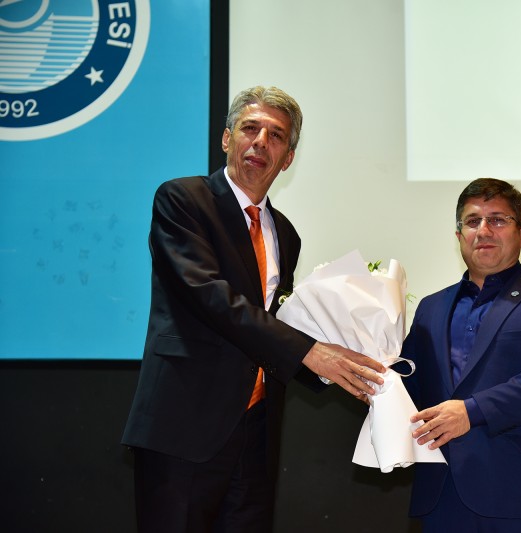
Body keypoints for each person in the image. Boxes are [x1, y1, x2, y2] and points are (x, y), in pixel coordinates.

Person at [122, 85, 385, 533]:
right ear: (227, 138)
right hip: (184, 426)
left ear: (288, 158)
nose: (261, 141)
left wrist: (343, 371)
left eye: (276, 135)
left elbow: (279, 323)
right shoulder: (182, 200)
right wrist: (312, 353)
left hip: (257, 434)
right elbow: (210, 296)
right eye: (250, 129)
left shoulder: (285, 233)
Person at [401, 178, 521, 532]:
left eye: (498, 220)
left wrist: (470, 412)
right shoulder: (430, 307)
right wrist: (371, 378)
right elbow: (409, 383)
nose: (484, 230)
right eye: (473, 221)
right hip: (442, 498)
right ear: (459, 235)